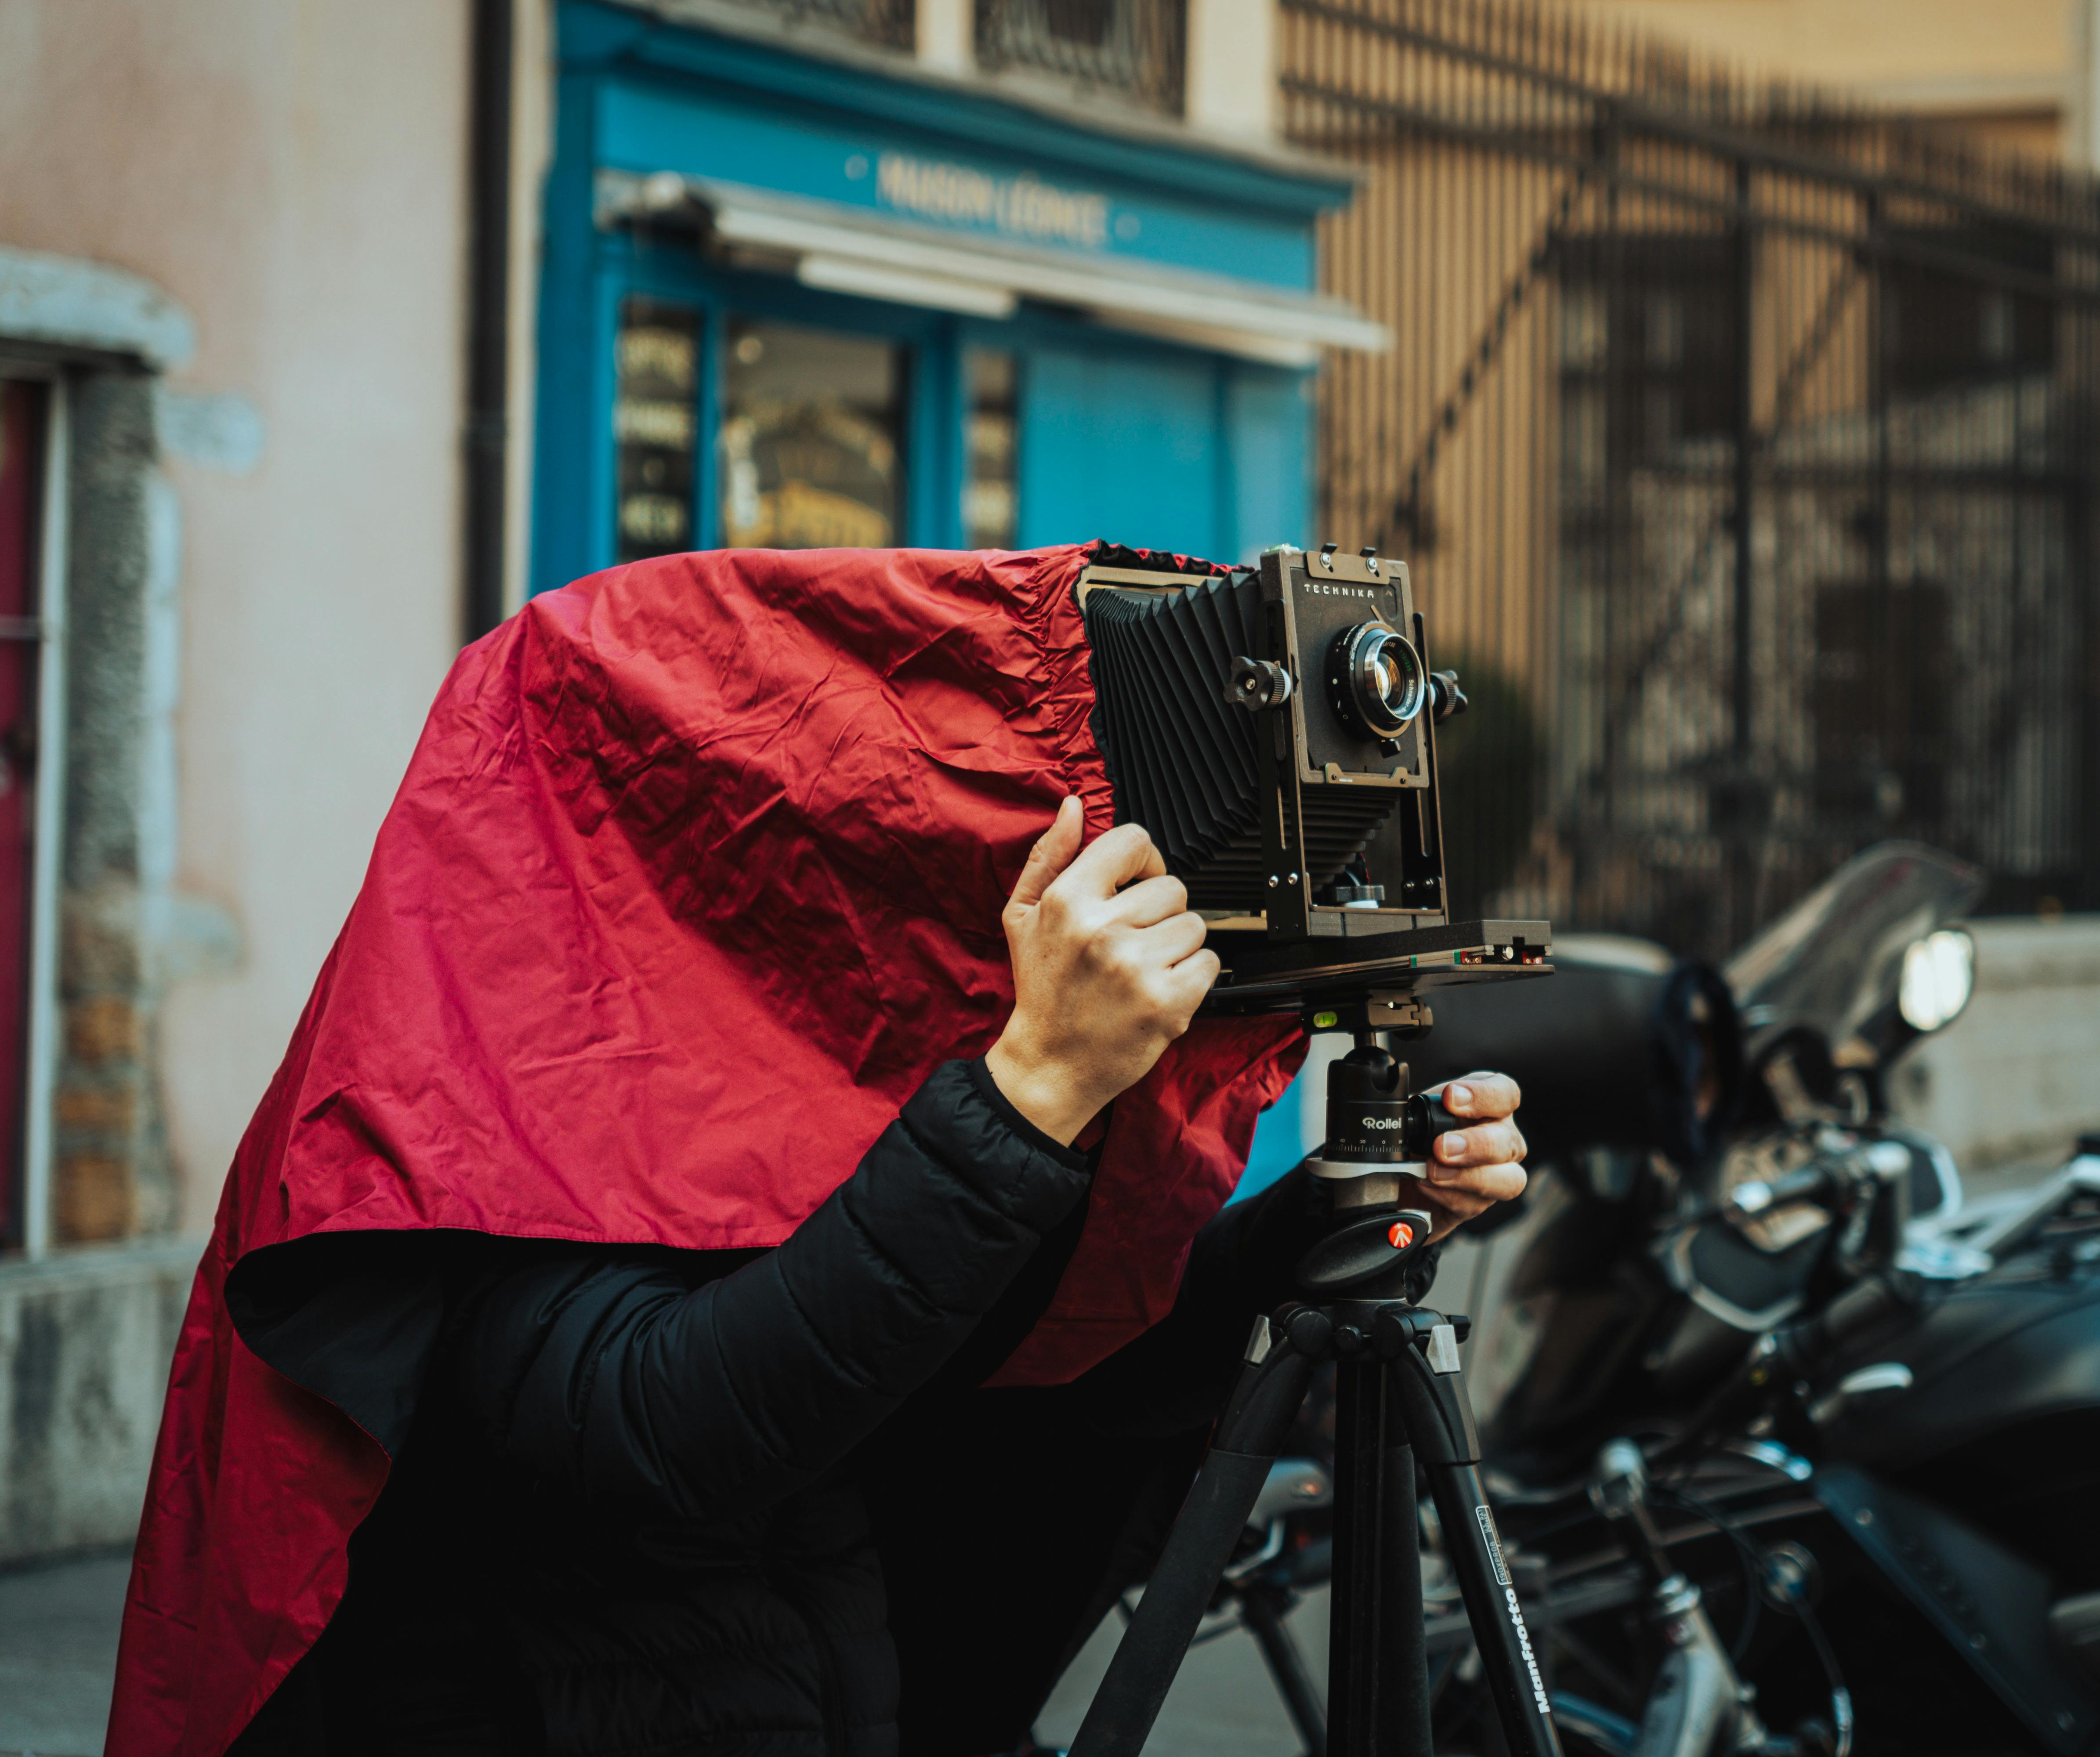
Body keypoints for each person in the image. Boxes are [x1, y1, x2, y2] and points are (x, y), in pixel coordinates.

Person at [105, 544, 1527, 1757]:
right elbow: (678, 1426)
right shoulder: (469, 1107)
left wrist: (1328, 1229)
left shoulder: (759, 1091)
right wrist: (1026, 1093)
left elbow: (1017, 1382)